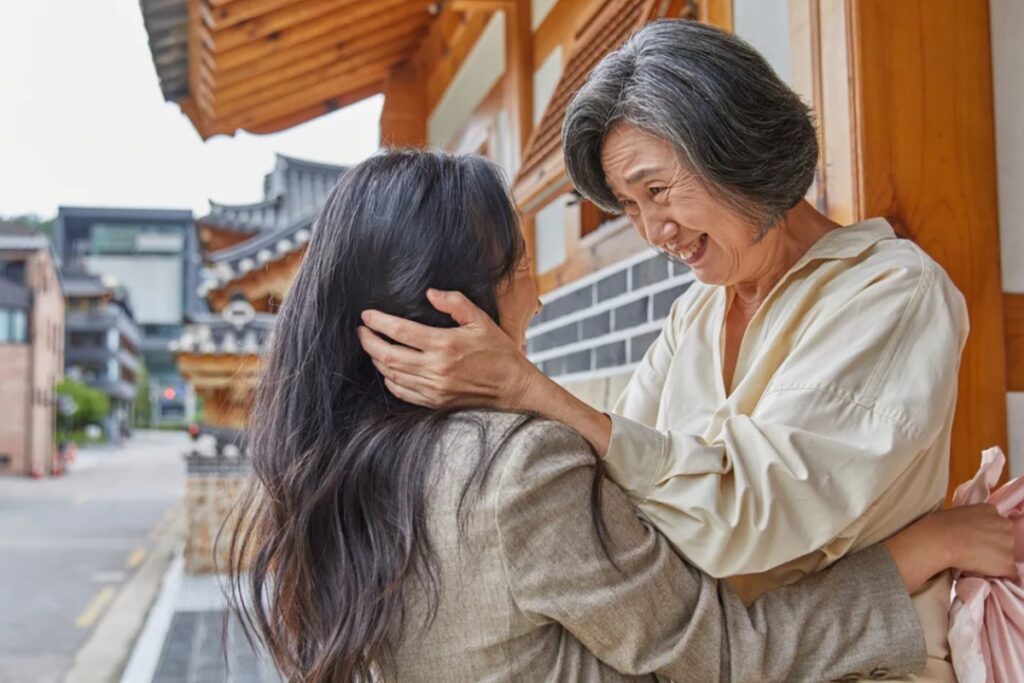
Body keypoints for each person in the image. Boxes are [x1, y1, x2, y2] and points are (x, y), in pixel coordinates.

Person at [227, 150, 1016, 683]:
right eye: (521, 267)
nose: (535, 293)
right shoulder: (515, 470)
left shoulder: (345, 467)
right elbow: (727, 657)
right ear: (452, 302)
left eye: (655, 192)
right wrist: (928, 545)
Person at [358, 20, 983, 682]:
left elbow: (750, 514)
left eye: (657, 190)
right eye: (628, 206)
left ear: (735, 147)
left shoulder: (893, 292)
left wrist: (528, 389)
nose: (654, 231)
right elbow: (618, 496)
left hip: (856, 659)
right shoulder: (695, 314)